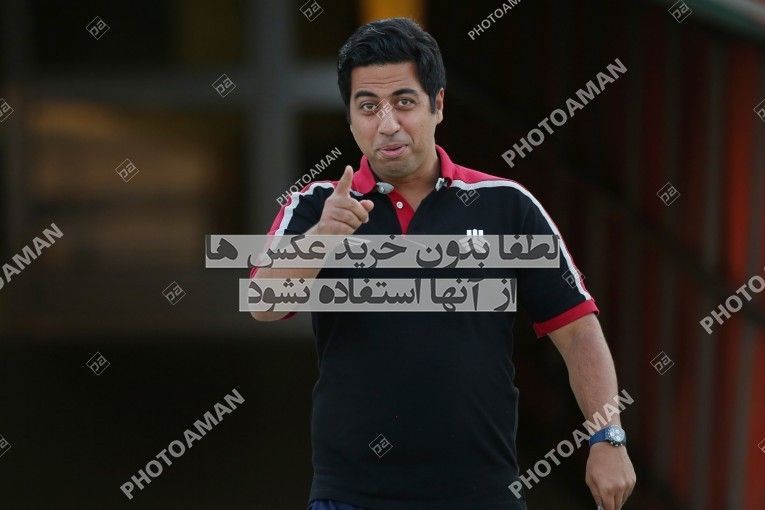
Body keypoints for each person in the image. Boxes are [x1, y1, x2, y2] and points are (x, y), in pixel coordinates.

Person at [252, 17, 636, 510]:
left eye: (404, 102)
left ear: (437, 105)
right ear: (349, 118)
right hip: (351, 497)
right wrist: (324, 236)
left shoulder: (506, 205)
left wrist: (607, 436)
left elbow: (577, 330)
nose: (387, 124)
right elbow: (263, 303)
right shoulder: (316, 206)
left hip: (482, 495)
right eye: (367, 107)